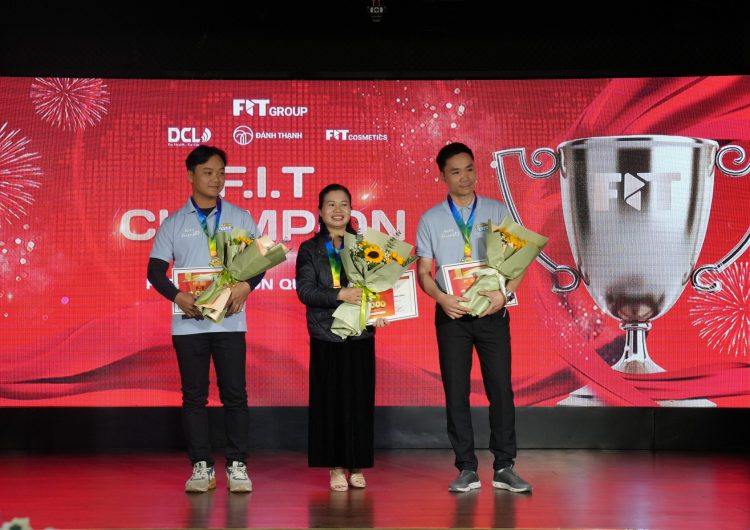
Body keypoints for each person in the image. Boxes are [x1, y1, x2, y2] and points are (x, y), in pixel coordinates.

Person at [416, 142, 532, 493]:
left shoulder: (497, 211)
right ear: (443, 176)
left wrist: (504, 295)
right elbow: (423, 271)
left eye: (469, 169)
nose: (465, 177)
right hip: (452, 315)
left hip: (492, 314)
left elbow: (518, 261)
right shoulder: (431, 219)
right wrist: (441, 298)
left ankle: (504, 466)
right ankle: (466, 468)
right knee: (456, 392)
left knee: (501, 390)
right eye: (456, 172)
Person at [147, 145, 263, 493]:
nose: (217, 179)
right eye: (209, 172)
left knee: (235, 395)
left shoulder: (240, 217)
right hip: (188, 323)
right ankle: (201, 466)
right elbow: (155, 271)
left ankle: (238, 465)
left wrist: (246, 286)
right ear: (191, 175)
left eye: (221, 173)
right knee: (194, 396)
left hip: (230, 322)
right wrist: (178, 296)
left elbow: (260, 261)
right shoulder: (174, 222)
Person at [295, 183, 388, 492]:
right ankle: (335, 466)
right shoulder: (310, 249)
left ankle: (356, 464)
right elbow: (305, 291)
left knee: (360, 401)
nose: (338, 210)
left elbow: (379, 287)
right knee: (329, 403)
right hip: (326, 334)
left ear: (351, 210)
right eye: (331, 204)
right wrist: (340, 294)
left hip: (361, 334)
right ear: (320, 212)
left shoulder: (365, 245)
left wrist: (383, 310)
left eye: (344, 204)